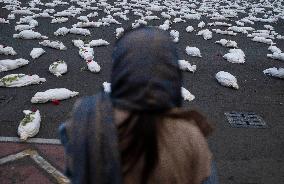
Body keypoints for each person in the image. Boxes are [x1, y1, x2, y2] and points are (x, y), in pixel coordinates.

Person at [59, 26, 218, 184]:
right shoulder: (190, 137)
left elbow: (75, 169)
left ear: (120, 69)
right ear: (172, 74)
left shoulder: (88, 120)